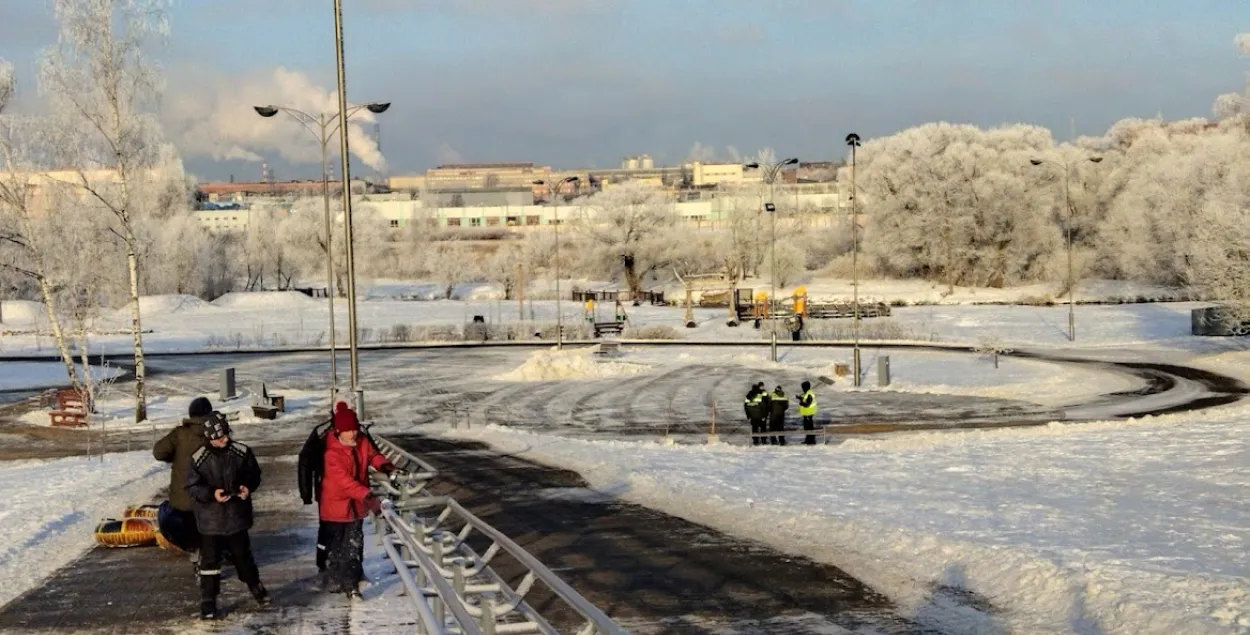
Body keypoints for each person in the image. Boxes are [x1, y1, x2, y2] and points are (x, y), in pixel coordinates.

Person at [186, 412, 268, 620]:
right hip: (210, 521)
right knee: (210, 562)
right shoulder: (198, 458)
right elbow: (192, 486)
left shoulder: (241, 452)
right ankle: (208, 600)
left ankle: (255, 586)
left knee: (243, 556)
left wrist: (247, 487)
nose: (223, 440)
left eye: (225, 436)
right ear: (209, 437)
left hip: (236, 517)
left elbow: (254, 474)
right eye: (217, 438)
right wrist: (210, 494)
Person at [320, 402, 398, 599]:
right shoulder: (331, 453)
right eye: (347, 430)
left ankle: (352, 585)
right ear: (338, 431)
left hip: (356, 505)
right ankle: (336, 579)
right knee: (338, 547)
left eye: (354, 429)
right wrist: (369, 496)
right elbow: (345, 483)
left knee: (355, 546)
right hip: (336, 507)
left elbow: (372, 455)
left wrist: (385, 466)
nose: (352, 433)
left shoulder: (362, 442)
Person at [153, 396, 212, 570]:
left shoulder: (179, 434)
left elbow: (158, 452)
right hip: (211, 500)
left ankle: (194, 549)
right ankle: (214, 549)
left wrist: (175, 457)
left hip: (183, 502)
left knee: (166, 512)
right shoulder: (217, 434)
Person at [298, 413, 336, 577]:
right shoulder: (322, 432)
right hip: (326, 488)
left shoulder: (357, 430)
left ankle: (343, 563)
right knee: (327, 527)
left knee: (348, 528)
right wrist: (306, 492)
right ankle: (324, 561)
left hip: (349, 490)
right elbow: (305, 461)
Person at [798, 380, 818, 445]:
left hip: (809, 413)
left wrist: (801, 404)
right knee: (806, 427)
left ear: (806, 387)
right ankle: (807, 439)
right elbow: (805, 399)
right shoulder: (807, 393)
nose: (802, 388)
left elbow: (807, 404)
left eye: (803, 387)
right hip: (806, 413)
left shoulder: (809, 393)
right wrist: (800, 398)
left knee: (809, 427)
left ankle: (811, 440)